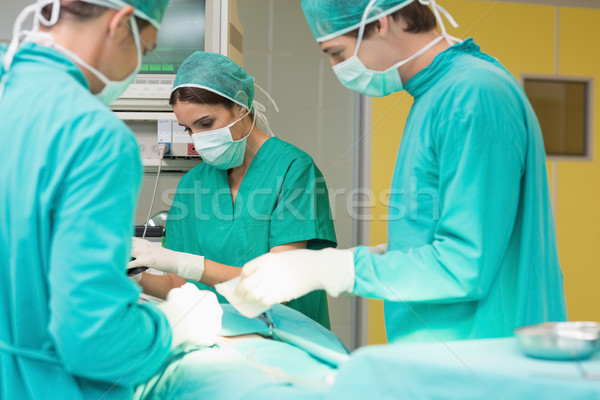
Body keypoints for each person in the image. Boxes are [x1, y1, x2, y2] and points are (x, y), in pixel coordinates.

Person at [233, 0, 567, 343]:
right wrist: (340, 260)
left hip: (485, 358)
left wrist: (331, 270)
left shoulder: (471, 94)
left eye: (336, 52)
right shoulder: (435, 95)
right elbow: (437, 236)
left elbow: (464, 264)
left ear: (380, 23)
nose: (337, 68)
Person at [0, 1, 220, 399]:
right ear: (120, 25)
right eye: (147, 49)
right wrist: (171, 329)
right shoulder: (92, 134)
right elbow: (94, 338)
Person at [129, 51, 336, 329]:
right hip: (219, 342)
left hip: (288, 340)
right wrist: (134, 277)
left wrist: (186, 262)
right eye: (188, 129)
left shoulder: (293, 169)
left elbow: (276, 288)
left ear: (240, 105)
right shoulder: (192, 184)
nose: (198, 139)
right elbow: (178, 286)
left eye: (206, 123)